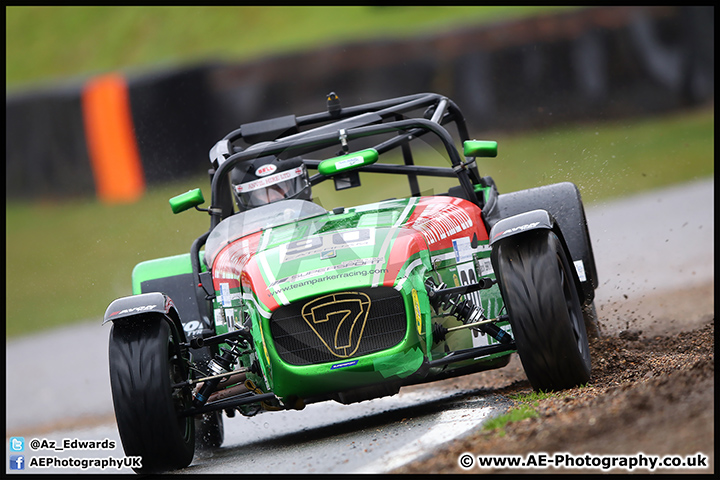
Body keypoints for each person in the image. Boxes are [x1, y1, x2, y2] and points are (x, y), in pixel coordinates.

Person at [230, 155, 312, 211]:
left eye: (281, 185)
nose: (274, 197)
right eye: (261, 192)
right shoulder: (241, 234)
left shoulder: (320, 221)